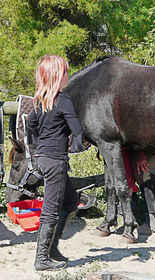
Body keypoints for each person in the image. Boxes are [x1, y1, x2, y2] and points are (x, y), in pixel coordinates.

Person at [26, 55, 86, 271]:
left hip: (43, 159)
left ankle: (50, 249)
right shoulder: (63, 100)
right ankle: (42, 259)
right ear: (57, 76)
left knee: (71, 202)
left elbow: (30, 126)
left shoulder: (40, 101)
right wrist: (78, 142)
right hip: (55, 162)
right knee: (50, 211)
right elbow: (77, 130)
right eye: (66, 72)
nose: (69, 75)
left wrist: (36, 150)